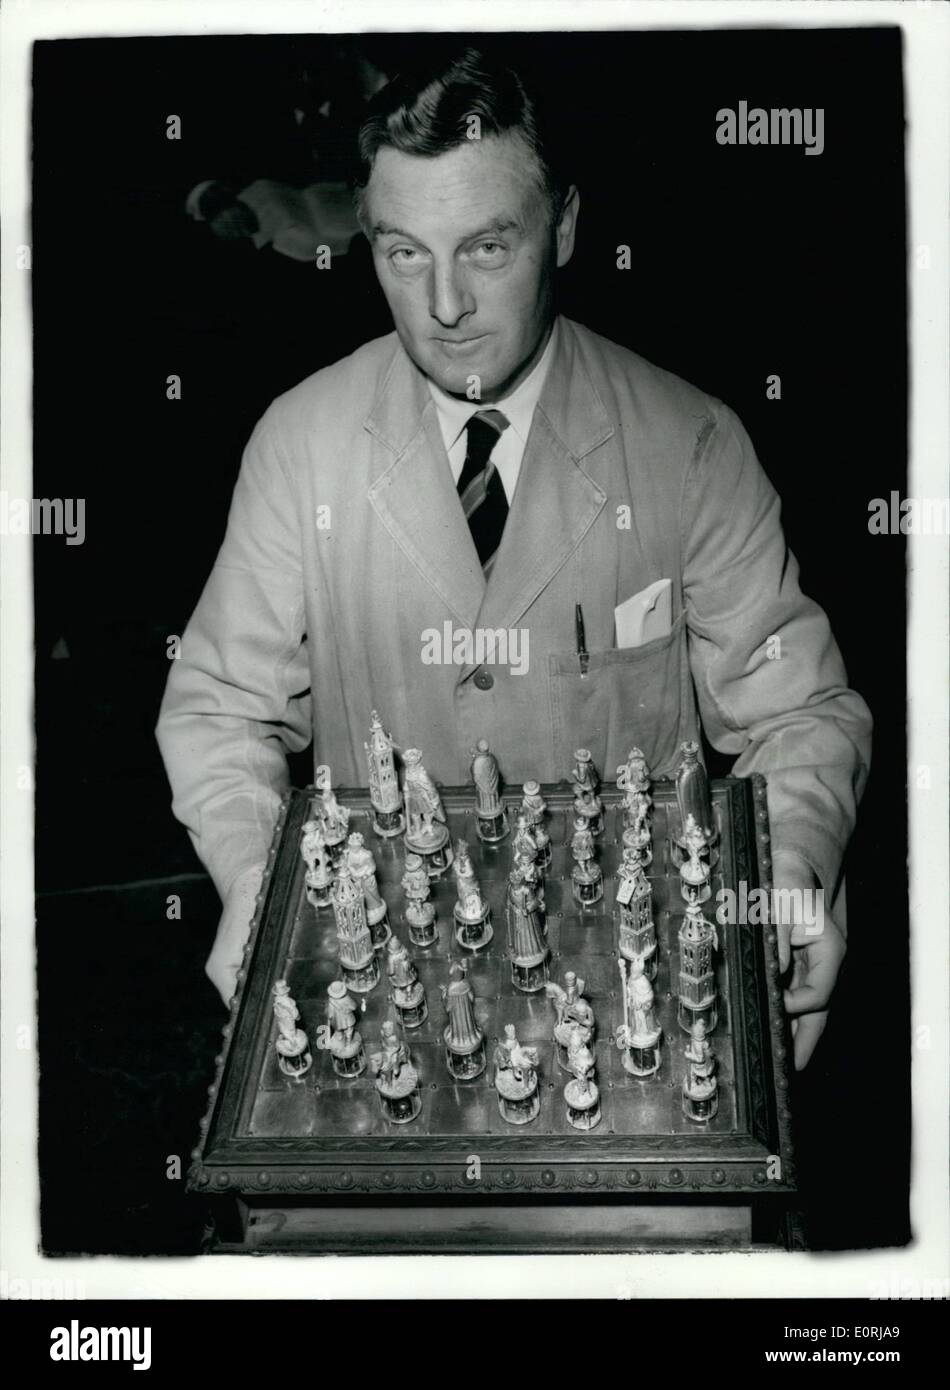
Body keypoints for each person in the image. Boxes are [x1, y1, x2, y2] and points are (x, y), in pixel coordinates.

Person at [157, 49, 872, 1069]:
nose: (443, 304)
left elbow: (799, 713)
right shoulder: (297, 442)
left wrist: (787, 869)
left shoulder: (692, 443)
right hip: (389, 1004)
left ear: (565, 228)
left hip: (637, 1005)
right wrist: (264, 893)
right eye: (403, 253)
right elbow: (219, 708)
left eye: (486, 246)